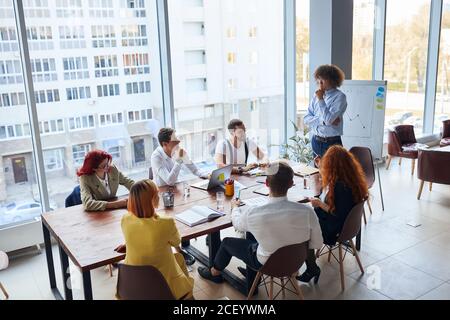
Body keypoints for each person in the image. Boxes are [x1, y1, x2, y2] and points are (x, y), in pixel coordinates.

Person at [197, 161, 323, 294]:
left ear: (267, 183)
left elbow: (238, 224)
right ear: (291, 184)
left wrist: (235, 208)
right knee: (256, 235)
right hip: (295, 262)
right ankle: (249, 275)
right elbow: (317, 242)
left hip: (267, 264)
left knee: (227, 243)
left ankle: (214, 273)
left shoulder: (256, 213)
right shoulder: (307, 212)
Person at [297, 145, 369, 283]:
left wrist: (319, 204)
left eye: (327, 162)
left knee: (303, 228)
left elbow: (336, 212)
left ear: (333, 165)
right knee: (306, 217)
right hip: (348, 226)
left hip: (335, 229)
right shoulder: (350, 179)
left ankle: (311, 268)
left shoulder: (340, 187)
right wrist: (320, 167)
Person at [116, 179, 194, 300]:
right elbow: (176, 242)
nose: (159, 196)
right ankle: (187, 297)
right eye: (156, 194)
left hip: (132, 283)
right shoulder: (165, 222)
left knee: (178, 259)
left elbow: (139, 232)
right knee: (179, 257)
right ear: (151, 200)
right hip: (161, 287)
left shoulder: (125, 219)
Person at [303, 64, 347, 158]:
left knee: (333, 172)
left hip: (331, 143)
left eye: (323, 79)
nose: (320, 82)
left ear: (332, 80)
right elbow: (306, 119)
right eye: (318, 79)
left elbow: (328, 119)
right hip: (315, 140)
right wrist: (323, 121)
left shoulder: (340, 97)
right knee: (317, 171)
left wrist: (321, 99)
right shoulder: (316, 95)